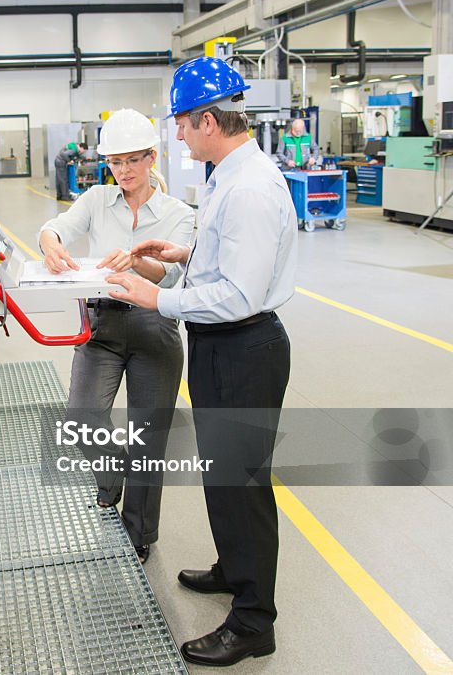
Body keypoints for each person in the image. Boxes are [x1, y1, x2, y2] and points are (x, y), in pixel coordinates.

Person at [105, 56, 295, 667]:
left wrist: (157, 295)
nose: (178, 134)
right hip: (222, 345)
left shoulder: (249, 188)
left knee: (242, 486)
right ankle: (235, 569)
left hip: (245, 346)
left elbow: (240, 293)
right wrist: (182, 252)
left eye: (183, 123)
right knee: (224, 476)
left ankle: (252, 622)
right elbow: (225, 260)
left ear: (209, 120)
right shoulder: (224, 176)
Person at [39, 109, 194, 564]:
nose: (123, 172)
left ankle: (139, 532)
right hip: (102, 323)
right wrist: (51, 244)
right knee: (83, 418)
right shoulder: (96, 199)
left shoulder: (177, 213)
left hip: (154, 324)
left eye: (132, 161)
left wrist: (136, 263)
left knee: (149, 435)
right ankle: (113, 478)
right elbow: (56, 227)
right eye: (115, 162)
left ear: (152, 157)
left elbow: (168, 275)